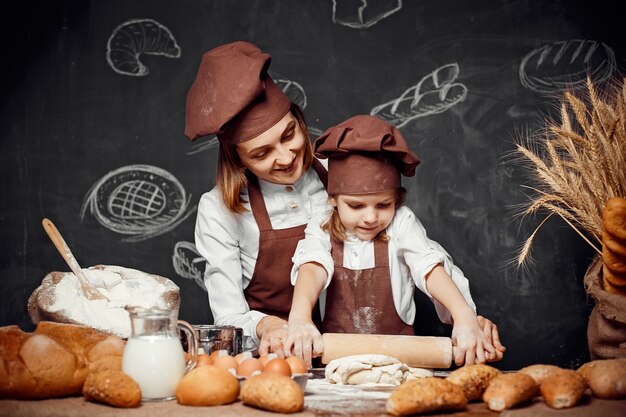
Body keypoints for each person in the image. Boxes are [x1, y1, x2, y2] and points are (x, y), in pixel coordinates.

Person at [284, 115, 506, 366]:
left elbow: (428, 266)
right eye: (355, 206)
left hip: (400, 363)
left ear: (398, 200)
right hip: (336, 364)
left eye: (383, 204)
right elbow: (313, 265)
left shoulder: (401, 222)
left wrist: (464, 317)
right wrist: (300, 316)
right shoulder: (322, 223)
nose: (370, 217)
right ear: (333, 199)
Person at [185, 41, 329, 356]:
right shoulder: (219, 211)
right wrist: (267, 325)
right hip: (276, 357)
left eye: (289, 135)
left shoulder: (340, 176)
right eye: (262, 153)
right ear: (238, 161)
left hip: (358, 352)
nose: (285, 157)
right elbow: (229, 317)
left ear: (299, 119)